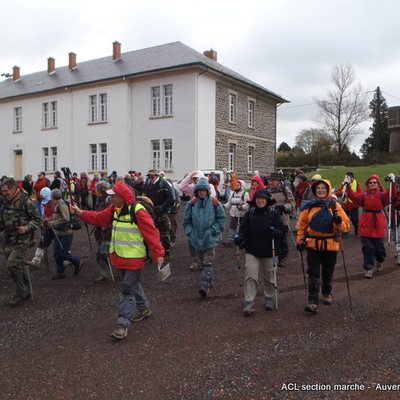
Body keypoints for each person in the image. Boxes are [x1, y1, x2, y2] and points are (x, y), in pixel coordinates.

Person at [71, 180, 164, 340]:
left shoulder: (138, 211)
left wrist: (159, 253)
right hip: (120, 257)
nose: (111, 198)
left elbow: (152, 233)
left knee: (127, 290)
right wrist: (80, 212)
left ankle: (122, 325)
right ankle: (144, 309)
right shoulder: (115, 209)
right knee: (133, 285)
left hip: (134, 258)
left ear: (122, 196)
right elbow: (99, 218)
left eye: (114, 196)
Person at [297, 179, 349, 313]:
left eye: (323, 188)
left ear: (328, 190)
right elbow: (302, 226)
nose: (320, 190)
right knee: (313, 272)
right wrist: (300, 240)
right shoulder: (308, 207)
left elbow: (345, 227)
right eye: (318, 188)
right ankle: (313, 301)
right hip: (313, 244)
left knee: (327, 271)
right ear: (315, 191)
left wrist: (338, 223)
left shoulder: (335, 206)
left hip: (330, 243)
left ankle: (327, 293)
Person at [234, 189, 285, 315]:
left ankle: (269, 297)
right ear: (254, 200)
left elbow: (282, 231)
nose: (260, 200)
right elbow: (243, 231)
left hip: (269, 250)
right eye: (258, 198)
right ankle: (249, 301)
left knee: (269, 276)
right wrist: (240, 238)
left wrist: (276, 232)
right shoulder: (250, 214)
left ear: (267, 200)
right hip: (252, 249)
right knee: (250, 275)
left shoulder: (273, 214)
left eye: (263, 198)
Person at [345, 174, 396, 278]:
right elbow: (352, 196)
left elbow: (392, 194)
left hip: (379, 224)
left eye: (375, 182)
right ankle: (369, 268)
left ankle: (380, 260)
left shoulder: (382, 195)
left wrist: (393, 182)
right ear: (367, 185)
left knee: (379, 249)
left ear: (378, 184)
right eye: (370, 182)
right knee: (368, 248)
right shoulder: (363, 196)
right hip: (366, 224)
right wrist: (348, 185)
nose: (373, 184)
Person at [0, 178, 42, 306]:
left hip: (23, 239)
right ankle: (26, 290)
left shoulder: (25, 202)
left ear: (13, 188)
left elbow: (38, 219)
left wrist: (27, 227)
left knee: (12, 264)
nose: (3, 193)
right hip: (9, 240)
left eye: (5, 191)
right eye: (2, 191)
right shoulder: (7, 203)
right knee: (20, 265)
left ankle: (20, 292)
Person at [183, 177, 226, 298]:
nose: (202, 192)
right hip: (197, 238)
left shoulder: (215, 203)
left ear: (207, 191)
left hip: (210, 238)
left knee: (208, 261)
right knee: (202, 261)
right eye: (199, 190)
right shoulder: (191, 204)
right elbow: (186, 222)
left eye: (204, 190)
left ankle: (205, 285)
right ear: (196, 192)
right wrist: (191, 233)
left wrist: (213, 231)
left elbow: (222, 220)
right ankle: (208, 280)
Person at [45, 189, 83, 280]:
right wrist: (49, 221)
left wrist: (52, 223)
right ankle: (60, 271)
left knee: (64, 253)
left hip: (65, 233)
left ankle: (77, 262)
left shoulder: (61, 205)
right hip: (59, 232)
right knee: (56, 253)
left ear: (53, 197)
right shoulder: (59, 204)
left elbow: (66, 218)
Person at [266, 172, 296, 267]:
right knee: (270, 237)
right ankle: (271, 256)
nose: (271, 182)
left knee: (282, 239)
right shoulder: (267, 190)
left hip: (282, 217)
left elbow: (292, 203)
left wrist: (285, 207)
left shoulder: (285, 189)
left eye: (273, 180)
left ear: (278, 181)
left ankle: (283, 257)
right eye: (270, 180)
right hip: (270, 217)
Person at [145, 169, 174, 255]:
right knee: (152, 233)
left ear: (157, 176)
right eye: (149, 177)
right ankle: (155, 252)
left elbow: (170, 198)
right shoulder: (149, 185)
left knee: (164, 233)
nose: (151, 179)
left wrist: (162, 207)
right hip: (153, 212)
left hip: (162, 213)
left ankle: (167, 252)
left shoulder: (163, 184)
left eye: (152, 177)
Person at [26, 187, 55, 268]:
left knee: (59, 244)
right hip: (46, 226)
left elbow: (55, 215)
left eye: (42, 195)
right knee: (42, 243)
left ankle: (66, 259)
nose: (41, 196)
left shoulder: (52, 203)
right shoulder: (43, 202)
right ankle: (36, 260)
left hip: (54, 226)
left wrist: (47, 219)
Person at [92, 182, 113, 283]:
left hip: (107, 232)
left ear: (100, 191)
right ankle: (105, 273)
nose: (95, 192)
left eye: (96, 190)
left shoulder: (108, 201)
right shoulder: (101, 200)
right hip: (100, 232)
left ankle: (106, 274)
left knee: (104, 253)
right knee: (99, 253)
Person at [223, 180, 249, 246]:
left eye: (238, 185)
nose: (236, 186)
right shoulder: (233, 193)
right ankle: (231, 240)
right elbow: (229, 203)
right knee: (232, 226)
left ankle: (243, 239)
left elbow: (248, 204)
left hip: (242, 213)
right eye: (236, 185)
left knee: (243, 226)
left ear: (241, 186)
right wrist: (223, 206)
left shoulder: (245, 194)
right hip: (233, 212)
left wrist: (242, 207)